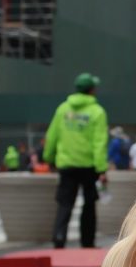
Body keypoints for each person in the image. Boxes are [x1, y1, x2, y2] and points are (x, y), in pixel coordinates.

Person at [43, 72, 109, 249]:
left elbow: (52, 136)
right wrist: (101, 168)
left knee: (65, 202)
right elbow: (99, 142)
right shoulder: (97, 112)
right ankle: (87, 241)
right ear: (92, 90)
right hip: (89, 166)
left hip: (67, 164)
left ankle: (59, 236)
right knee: (89, 204)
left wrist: (48, 157)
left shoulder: (63, 109)